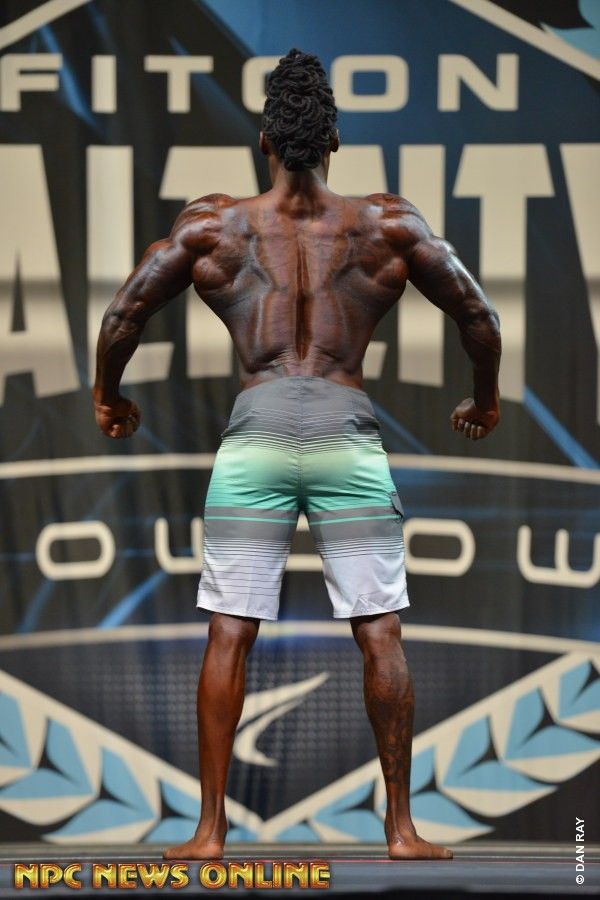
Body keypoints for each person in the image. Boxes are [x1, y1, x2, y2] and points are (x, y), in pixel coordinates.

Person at [93, 48, 501, 861]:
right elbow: (478, 315)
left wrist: (109, 395)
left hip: (258, 435)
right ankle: (401, 830)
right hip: (346, 434)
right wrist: (483, 399)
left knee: (230, 629)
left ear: (264, 141)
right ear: (335, 140)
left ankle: (210, 832)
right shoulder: (387, 225)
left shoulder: (215, 226)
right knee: (379, 628)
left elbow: (124, 315)